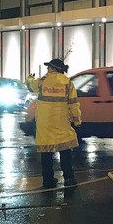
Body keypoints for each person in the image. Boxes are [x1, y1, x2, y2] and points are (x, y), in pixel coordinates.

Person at [27, 58, 82, 189]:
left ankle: (48, 180)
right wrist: (77, 120)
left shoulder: (42, 81)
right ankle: (69, 178)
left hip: (45, 123)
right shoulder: (68, 83)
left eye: (48, 68)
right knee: (65, 151)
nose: (47, 70)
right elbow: (73, 104)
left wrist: (29, 77)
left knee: (46, 153)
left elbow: (30, 85)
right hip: (62, 122)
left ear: (53, 68)